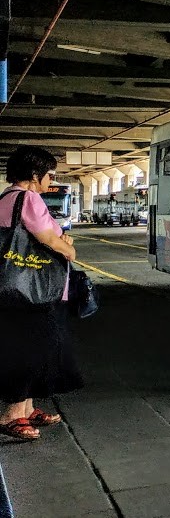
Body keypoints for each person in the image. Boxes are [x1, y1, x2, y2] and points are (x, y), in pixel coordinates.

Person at [0, 146, 82, 442]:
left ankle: (28, 407)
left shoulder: (5, 198)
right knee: (29, 350)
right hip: (33, 292)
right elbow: (50, 240)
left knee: (30, 348)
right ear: (34, 175)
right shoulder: (30, 198)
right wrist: (68, 248)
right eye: (49, 174)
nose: (51, 181)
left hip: (12, 288)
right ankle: (12, 415)